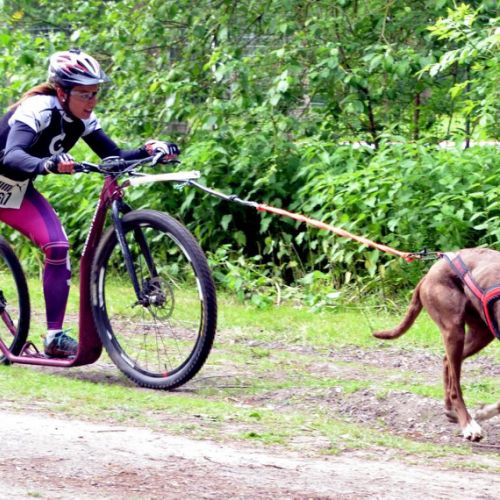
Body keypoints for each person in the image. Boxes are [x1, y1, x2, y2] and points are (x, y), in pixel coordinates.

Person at [0, 48, 179, 358]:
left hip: (14, 190)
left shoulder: (83, 119)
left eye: (95, 93)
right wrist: (46, 164)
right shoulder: (37, 109)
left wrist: (149, 151)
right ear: (61, 92)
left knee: (57, 247)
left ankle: (54, 337)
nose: (92, 101)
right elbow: (12, 156)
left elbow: (114, 156)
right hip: (9, 176)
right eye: (84, 94)